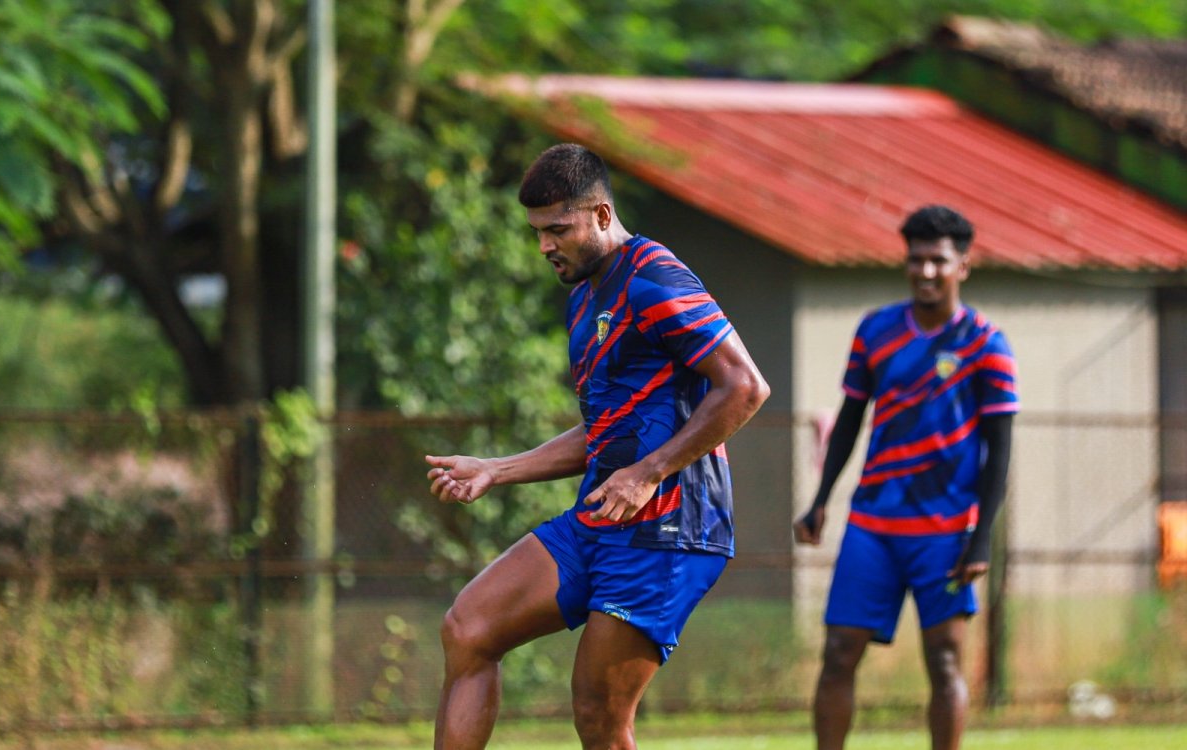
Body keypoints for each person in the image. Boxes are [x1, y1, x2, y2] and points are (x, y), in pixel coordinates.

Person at [424, 143, 770, 750]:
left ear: (603, 216)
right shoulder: (585, 298)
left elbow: (745, 386)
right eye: (536, 232)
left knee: (599, 719)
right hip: (601, 517)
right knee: (469, 627)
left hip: (668, 529)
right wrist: (495, 470)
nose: (544, 246)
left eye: (558, 229)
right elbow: (606, 429)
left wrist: (649, 472)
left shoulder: (655, 277)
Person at [793, 205, 1018, 750]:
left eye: (938, 260)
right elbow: (850, 420)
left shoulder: (987, 345)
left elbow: (1000, 449)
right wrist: (821, 498)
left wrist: (981, 534)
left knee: (944, 660)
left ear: (963, 264)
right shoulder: (876, 330)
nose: (925, 271)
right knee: (840, 652)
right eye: (915, 260)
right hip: (873, 525)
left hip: (944, 531)